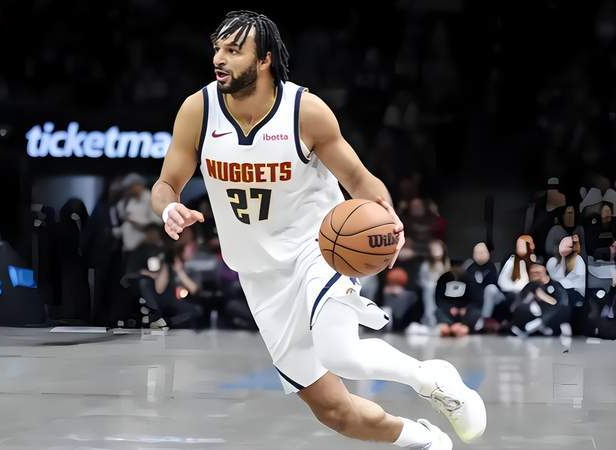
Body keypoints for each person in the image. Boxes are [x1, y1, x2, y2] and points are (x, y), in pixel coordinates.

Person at [151, 10, 485, 449]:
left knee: (341, 353)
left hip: (320, 250)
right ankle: (424, 440)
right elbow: (166, 184)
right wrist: (168, 209)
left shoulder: (304, 111)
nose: (219, 59)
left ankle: (432, 378)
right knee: (335, 412)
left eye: (233, 50)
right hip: (259, 275)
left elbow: (359, 179)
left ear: (265, 59)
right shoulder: (198, 110)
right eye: (217, 48)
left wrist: (387, 214)